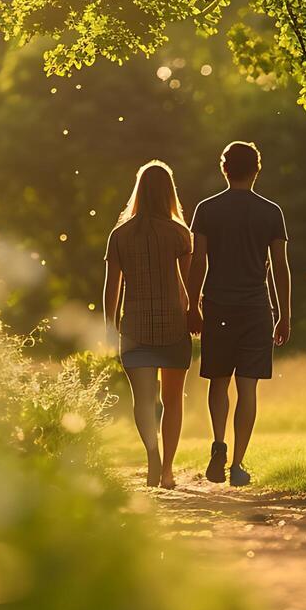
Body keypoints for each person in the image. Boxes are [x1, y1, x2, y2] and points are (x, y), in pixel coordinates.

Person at [186, 141, 290, 487]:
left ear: (224, 169)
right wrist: (284, 314)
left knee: (218, 380)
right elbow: (280, 268)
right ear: (257, 169)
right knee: (248, 388)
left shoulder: (206, 209)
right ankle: (238, 465)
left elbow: (198, 261)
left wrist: (192, 306)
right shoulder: (271, 212)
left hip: (217, 306)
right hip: (256, 308)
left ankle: (219, 444)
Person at [102, 160, 194, 488]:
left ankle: (152, 458)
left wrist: (109, 329)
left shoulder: (120, 235)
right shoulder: (180, 234)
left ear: (138, 191)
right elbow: (189, 285)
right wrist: (192, 312)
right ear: (169, 193)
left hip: (135, 329)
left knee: (143, 400)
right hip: (173, 327)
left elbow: (111, 288)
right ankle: (167, 469)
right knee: (173, 400)